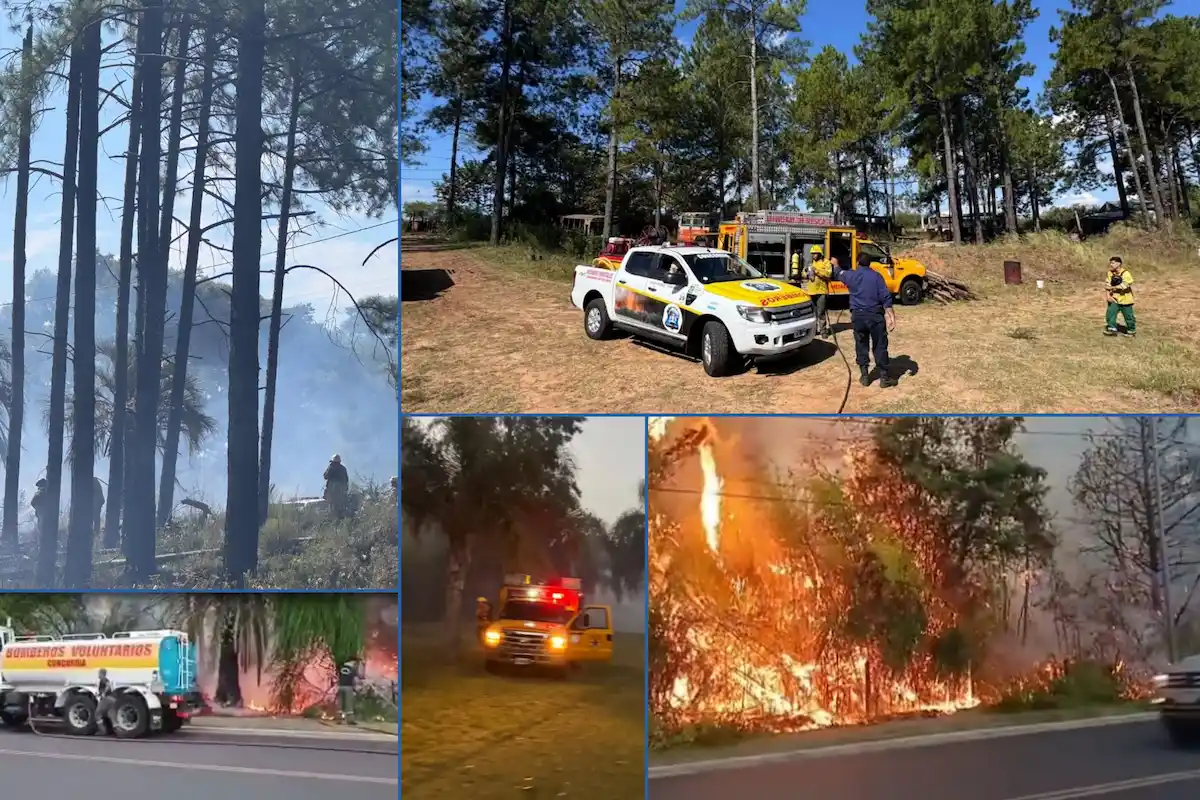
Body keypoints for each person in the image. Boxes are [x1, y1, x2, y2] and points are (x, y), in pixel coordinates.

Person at [833, 252, 897, 388]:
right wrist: (891, 316)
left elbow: (839, 273)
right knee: (880, 345)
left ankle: (865, 376)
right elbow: (885, 297)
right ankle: (884, 378)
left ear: (857, 263)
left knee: (861, 344)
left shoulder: (851, 275)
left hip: (858, 317)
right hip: (875, 316)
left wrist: (836, 264)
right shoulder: (877, 277)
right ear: (870, 263)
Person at [804, 245, 832, 337]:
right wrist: (806, 273)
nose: (813, 255)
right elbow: (803, 274)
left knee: (821, 312)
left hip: (821, 291)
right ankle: (814, 330)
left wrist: (816, 271)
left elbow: (828, 274)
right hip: (811, 291)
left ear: (820, 254)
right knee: (813, 313)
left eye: (815, 253)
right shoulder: (810, 262)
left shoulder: (826, 262)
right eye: (812, 254)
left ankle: (823, 331)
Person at [1104, 256, 1135, 337]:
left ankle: (1131, 331)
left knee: (1128, 316)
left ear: (1119, 264)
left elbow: (1125, 285)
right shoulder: (1109, 273)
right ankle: (1112, 329)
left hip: (1126, 298)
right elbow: (1107, 285)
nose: (1111, 265)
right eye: (1110, 263)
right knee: (1110, 313)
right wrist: (1108, 296)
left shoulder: (1126, 273)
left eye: (1113, 263)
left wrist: (1112, 287)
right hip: (1114, 298)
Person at [337, 654, 361, 725]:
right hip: (348, 687)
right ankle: (350, 720)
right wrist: (356, 688)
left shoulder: (342, 667)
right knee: (349, 704)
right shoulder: (352, 669)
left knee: (341, 704)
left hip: (340, 686)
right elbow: (355, 680)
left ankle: (339, 719)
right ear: (354, 662)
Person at [323, 454, 350, 518]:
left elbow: (325, 476)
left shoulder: (331, 468)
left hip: (333, 492)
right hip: (341, 493)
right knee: (340, 507)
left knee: (332, 507)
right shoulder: (343, 469)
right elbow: (346, 480)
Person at [96, 668, 114, 735]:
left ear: (103, 674)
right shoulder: (103, 680)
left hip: (107, 699)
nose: (98, 675)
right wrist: (100, 694)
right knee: (108, 715)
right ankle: (112, 730)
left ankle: (102, 731)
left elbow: (108, 685)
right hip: (111, 699)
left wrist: (104, 693)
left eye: (99, 673)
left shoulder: (103, 680)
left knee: (97, 714)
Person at [92, 477, 105, 542]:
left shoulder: (92, 481)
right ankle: (95, 533)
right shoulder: (94, 480)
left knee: (96, 518)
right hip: (98, 501)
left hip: (97, 502)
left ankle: (96, 533)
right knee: (96, 518)